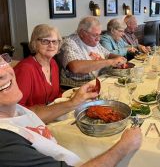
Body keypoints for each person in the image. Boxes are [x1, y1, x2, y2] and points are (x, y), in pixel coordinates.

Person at [0, 54, 142, 166]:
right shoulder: (6, 145)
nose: (2, 73)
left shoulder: (11, 109)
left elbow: (33, 114)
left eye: (1, 61)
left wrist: (74, 102)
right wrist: (124, 146)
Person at [59, 16, 126, 88]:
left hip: (98, 81)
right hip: (78, 86)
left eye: (99, 34)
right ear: (82, 33)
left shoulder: (94, 42)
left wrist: (119, 58)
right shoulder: (69, 42)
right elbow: (75, 67)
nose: (98, 38)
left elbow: (108, 54)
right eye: (95, 35)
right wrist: (110, 62)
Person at [14, 24, 62, 109]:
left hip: (53, 113)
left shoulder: (53, 63)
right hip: (32, 119)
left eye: (54, 41)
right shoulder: (25, 69)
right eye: (45, 41)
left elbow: (57, 95)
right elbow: (17, 107)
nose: (51, 45)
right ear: (35, 43)